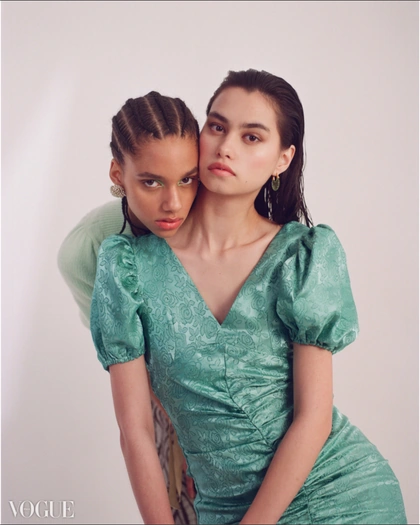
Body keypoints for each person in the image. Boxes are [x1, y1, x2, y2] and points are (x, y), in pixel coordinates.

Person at [91, 69, 407, 524]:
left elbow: (313, 419)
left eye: (252, 137)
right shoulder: (127, 267)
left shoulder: (301, 257)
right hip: (220, 507)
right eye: (217, 126)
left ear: (283, 159)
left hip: (340, 496)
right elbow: (135, 431)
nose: (226, 147)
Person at [57, 91, 200, 524]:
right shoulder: (87, 250)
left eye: (187, 179)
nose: (174, 203)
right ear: (117, 173)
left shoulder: (212, 215)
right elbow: (133, 369)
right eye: (151, 182)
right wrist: (188, 440)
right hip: (157, 389)